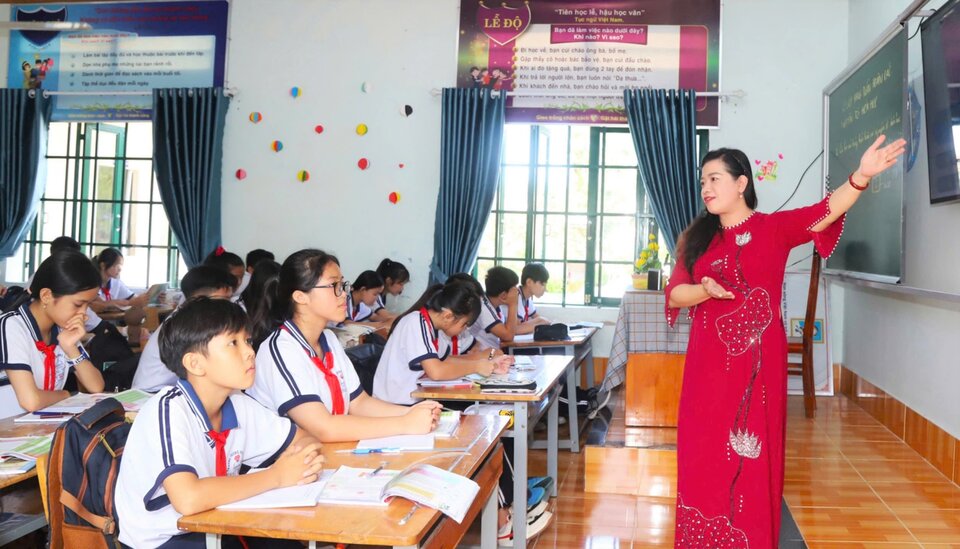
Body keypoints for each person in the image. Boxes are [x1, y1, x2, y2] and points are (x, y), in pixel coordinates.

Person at [665, 136, 905, 547]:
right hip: (706, 368)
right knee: (701, 453)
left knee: (753, 455)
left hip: (757, 370)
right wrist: (705, 289)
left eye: (715, 178)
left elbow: (825, 211)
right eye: (703, 180)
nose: (706, 187)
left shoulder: (773, 230)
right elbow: (675, 295)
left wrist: (862, 176)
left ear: (742, 184)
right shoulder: (696, 240)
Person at [115, 297, 322, 548]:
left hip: (216, 521)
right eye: (233, 343)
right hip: (167, 538)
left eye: (247, 340)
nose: (249, 352)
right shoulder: (168, 411)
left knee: (288, 541)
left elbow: (303, 438)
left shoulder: (236, 402)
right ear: (195, 363)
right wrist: (277, 475)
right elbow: (188, 499)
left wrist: (302, 462)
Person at [247, 249, 440, 442]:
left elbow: (359, 403)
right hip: (286, 465)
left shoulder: (329, 339)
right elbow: (324, 428)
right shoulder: (281, 349)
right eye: (334, 286)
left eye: (343, 285)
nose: (344, 295)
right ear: (300, 297)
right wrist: (405, 423)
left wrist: (413, 412)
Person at [0, 251, 105, 413]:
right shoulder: (12, 325)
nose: (84, 313)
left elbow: (96, 386)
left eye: (88, 305)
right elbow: (31, 401)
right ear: (47, 296)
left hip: (37, 428)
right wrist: (66, 394)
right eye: (78, 304)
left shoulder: (63, 328)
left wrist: (71, 348)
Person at [131, 266, 237, 392]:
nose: (228, 307)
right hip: (153, 394)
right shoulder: (185, 325)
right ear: (199, 299)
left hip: (174, 390)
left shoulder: (194, 317)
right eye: (224, 300)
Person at [89, 248, 149, 313]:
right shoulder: (90, 282)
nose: (120, 269)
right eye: (116, 265)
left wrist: (146, 298)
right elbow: (101, 304)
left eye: (121, 266)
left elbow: (134, 299)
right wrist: (130, 303)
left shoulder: (116, 283)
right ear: (103, 265)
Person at [514, 263, 551, 335]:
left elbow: (537, 317)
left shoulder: (527, 298)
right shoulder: (516, 296)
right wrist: (540, 324)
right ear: (529, 282)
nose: (546, 289)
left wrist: (541, 321)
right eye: (542, 284)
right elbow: (515, 329)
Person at [369, 258, 410, 323]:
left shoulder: (383, 296)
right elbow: (386, 316)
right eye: (400, 284)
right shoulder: (375, 294)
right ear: (389, 281)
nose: (402, 288)